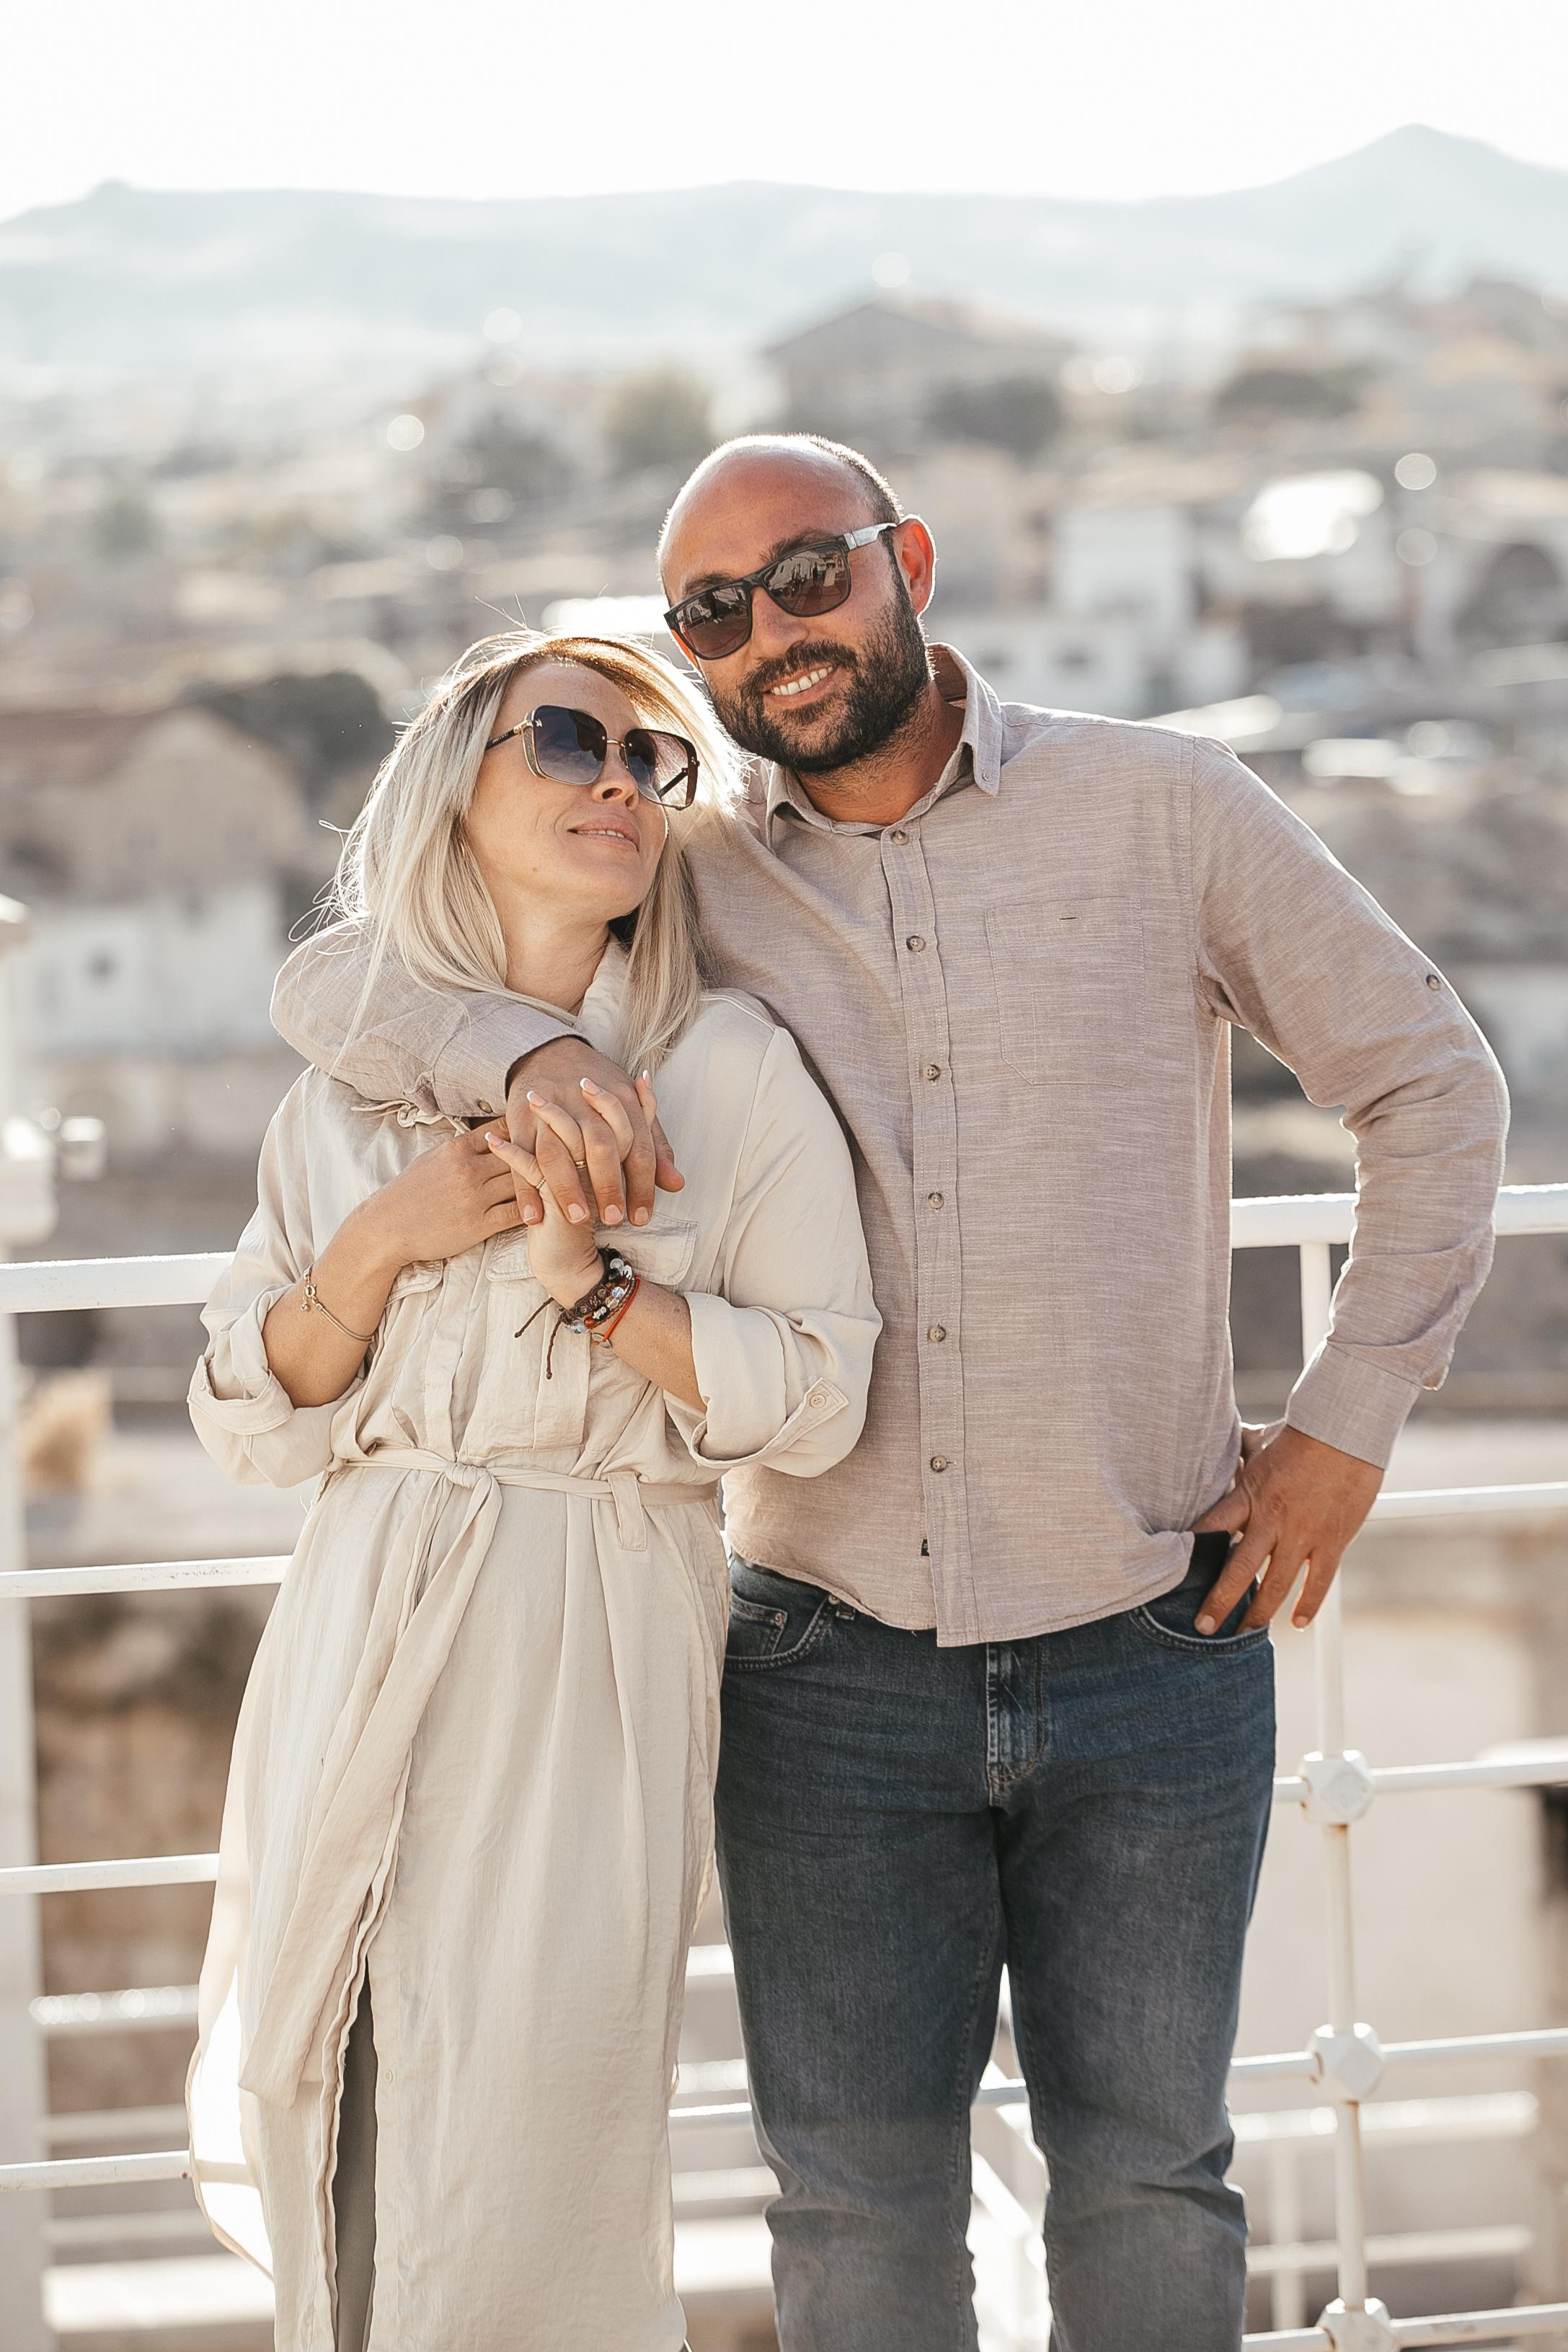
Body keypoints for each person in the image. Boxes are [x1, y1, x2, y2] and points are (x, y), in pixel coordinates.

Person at [273, 437, 1510, 2352]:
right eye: (710, 613)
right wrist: (515, 1045)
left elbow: (1434, 1084)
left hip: (1153, 1631)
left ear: (906, 559)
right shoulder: (688, 864)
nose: (770, 632)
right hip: (820, 1663)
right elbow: (337, 978)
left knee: (1152, 2177)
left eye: (806, 576)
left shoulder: (1167, 807)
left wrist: (1346, 1424)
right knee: (852, 2214)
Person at [185, 627, 880, 2352]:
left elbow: (818, 1391)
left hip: (587, 1627)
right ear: (452, 784)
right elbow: (250, 1423)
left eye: (656, 762)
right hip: (359, 1600)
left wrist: (601, 1294)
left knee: (527, 2127)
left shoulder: (729, 1071)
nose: (616, 784)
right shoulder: (342, 1092)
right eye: (565, 738)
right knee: (314, 2062)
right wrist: (378, 1242)